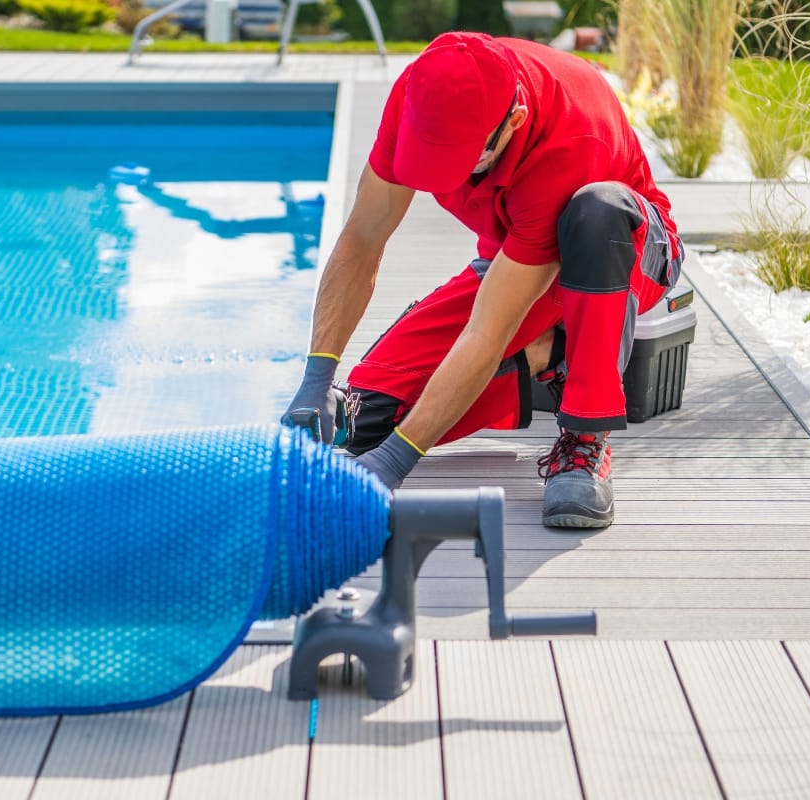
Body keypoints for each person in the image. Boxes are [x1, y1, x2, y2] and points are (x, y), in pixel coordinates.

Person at [280, 31, 683, 529]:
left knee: (595, 211)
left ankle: (585, 438)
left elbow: (486, 333)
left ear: (512, 124)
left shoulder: (569, 140)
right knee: (370, 416)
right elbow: (363, 237)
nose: (444, 179)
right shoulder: (421, 94)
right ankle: (552, 355)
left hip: (626, 252)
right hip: (514, 259)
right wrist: (317, 378)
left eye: (458, 162)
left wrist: (394, 465)